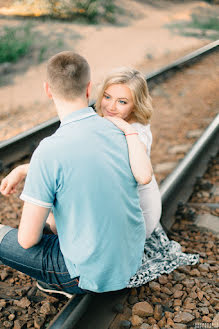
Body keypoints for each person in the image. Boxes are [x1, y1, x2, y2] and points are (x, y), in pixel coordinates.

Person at [1, 65, 199, 292]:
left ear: (136, 105)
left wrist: (126, 129)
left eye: (122, 102)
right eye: (107, 97)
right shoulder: (107, 125)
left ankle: (61, 268)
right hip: (126, 227)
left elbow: (142, 175)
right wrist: (26, 169)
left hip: (140, 220)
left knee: (58, 204)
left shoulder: (133, 133)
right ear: (93, 91)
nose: (111, 107)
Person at [0, 52, 148, 296]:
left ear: (47, 90)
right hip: (131, 262)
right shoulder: (120, 130)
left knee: (25, 231)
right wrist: (26, 170)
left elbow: (26, 240)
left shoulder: (49, 150)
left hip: (82, 277)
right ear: (89, 88)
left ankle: (57, 282)